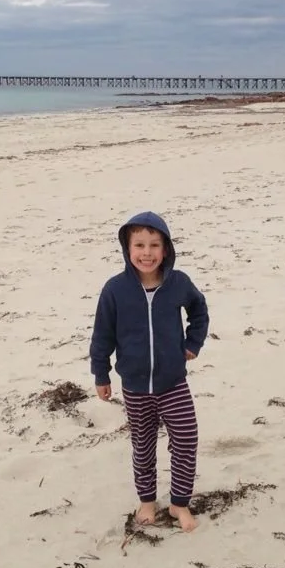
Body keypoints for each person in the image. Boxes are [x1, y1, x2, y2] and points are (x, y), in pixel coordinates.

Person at [88, 211, 210, 532]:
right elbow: (102, 335)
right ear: (127, 249)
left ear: (166, 249)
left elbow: (199, 310)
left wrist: (193, 343)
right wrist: (101, 374)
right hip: (135, 386)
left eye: (154, 245)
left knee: (186, 437)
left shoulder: (178, 283)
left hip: (173, 382)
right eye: (139, 244)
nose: (147, 252)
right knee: (143, 445)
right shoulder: (115, 290)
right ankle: (146, 500)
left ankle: (179, 503)